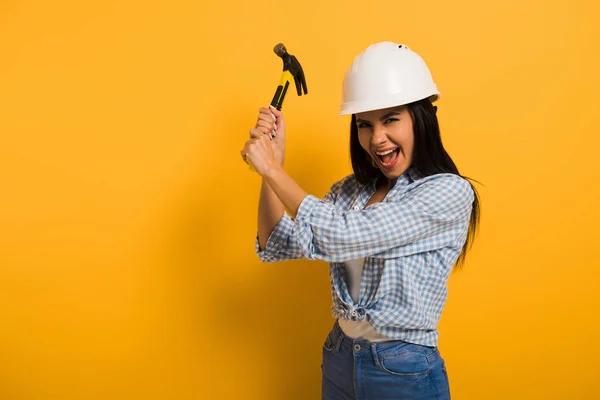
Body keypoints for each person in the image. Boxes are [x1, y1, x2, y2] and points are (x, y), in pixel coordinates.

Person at [240, 41, 480, 400]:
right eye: (364, 124)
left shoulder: (448, 193)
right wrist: (273, 165)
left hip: (402, 370)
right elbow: (277, 242)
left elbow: (341, 235)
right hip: (340, 357)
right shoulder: (351, 191)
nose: (377, 138)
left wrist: (272, 169)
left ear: (421, 118)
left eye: (391, 119)